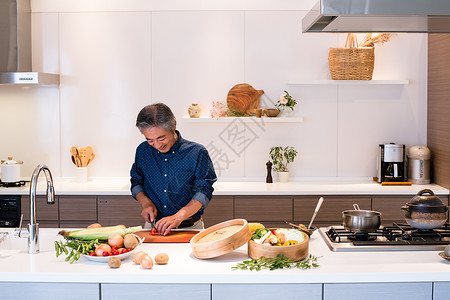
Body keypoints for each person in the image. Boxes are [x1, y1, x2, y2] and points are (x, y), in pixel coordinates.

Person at [130, 103, 217, 235]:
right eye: (150, 140)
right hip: (153, 227)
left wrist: (179, 216)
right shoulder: (142, 151)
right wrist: (146, 203)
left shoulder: (197, 152)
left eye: (161, 138)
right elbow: (136, 182)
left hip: (189, 228)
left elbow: (204, 191)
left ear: (174, 127)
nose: (157, 145)